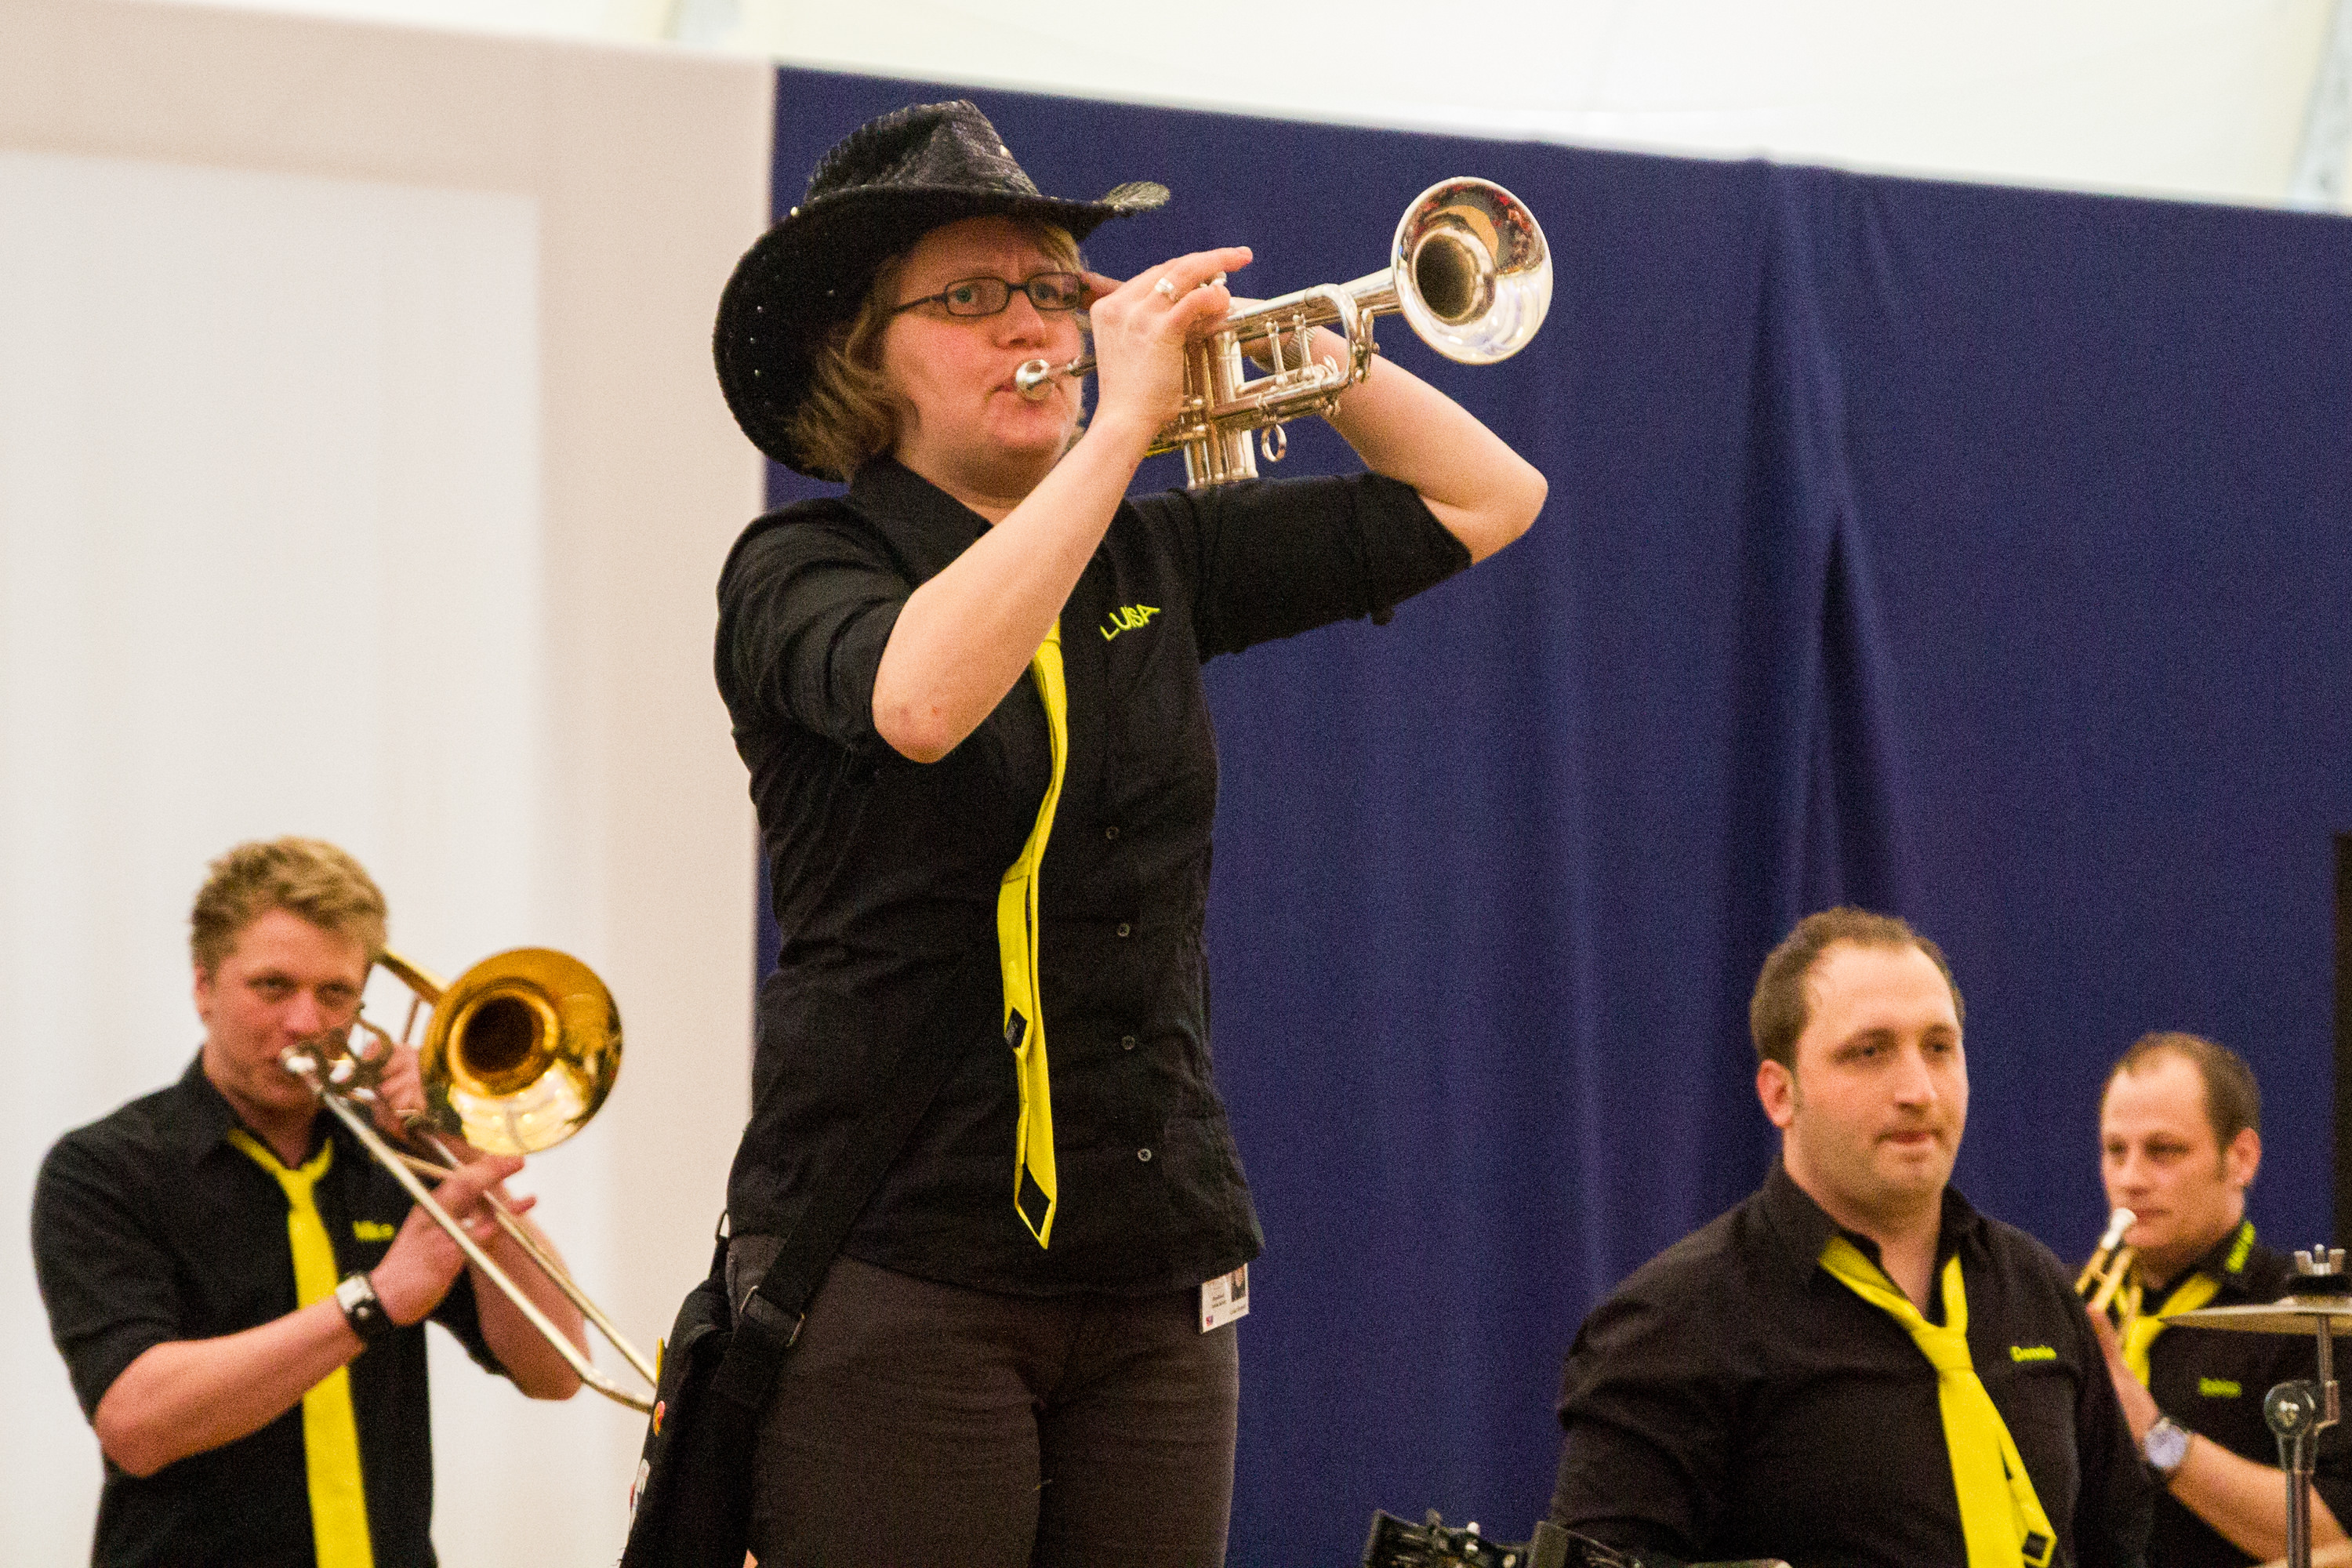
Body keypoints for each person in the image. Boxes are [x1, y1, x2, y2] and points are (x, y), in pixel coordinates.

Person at [706, 99, 1546, 1568]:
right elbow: (922, 698)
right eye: (972, 297)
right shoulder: (802, 565)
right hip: (902, 1257)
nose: (1031, 324)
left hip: (1155, 1264)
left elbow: (1488, 497)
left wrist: (1316, 351)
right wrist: (1119, 432)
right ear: (863, 355)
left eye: (1053, 289)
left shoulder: (1149, 556)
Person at [31, 837, 588, 1568]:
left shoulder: (395, 1157)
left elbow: (557, 1372)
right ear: (203, 987)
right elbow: (136, 1424)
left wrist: (461, 1146)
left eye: (335, 994)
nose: (306, 1023)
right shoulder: (106, 1168)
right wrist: (374, 1301)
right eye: (272, 987)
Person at [1550, 906, 2151, 1566]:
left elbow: (2117, 1546)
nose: (1919, 1091)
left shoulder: (2033, 1285)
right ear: (1780, 1094)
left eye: (1939, 1048)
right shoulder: (1672, 1325)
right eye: (1869, 1052)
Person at [2090, 1030, 2352, 1565]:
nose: (2131, 1178)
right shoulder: (2065, 1299)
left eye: (2163, 1151)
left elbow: (2334, 1536)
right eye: (2116, 1151)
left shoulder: (2310, 1316)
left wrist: (2156, 1438)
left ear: (2241, 1159)